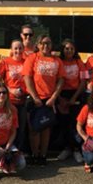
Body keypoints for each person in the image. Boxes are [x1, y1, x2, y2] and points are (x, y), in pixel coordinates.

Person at [23, 35, 65, 166]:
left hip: (49, 100)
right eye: (43, 43)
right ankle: (35, 154)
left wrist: (53, 97)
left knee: (46, 128)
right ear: (38, 45)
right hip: (35, 99)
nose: (45, 46)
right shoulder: (32, 58)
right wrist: (35, 97)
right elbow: (27, 78)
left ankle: (43, 156)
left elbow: (61, 80)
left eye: (48, 43)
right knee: (34, 129)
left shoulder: (57, 60)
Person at [55, 39, 88, 163]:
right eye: (67, 48)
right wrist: (59, 98)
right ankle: (66, 148)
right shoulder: (59, 62)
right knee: (63, 123)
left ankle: (76, 149)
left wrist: (74, 97)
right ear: (63, 50)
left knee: (75, 123)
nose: (69, 51)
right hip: (61, 95)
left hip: (76, 94)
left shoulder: (79, 62)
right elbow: (54, 81)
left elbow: (83, 81)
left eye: (72, 49)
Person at [0, 40, 28, 153]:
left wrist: (24, 91)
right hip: (9, 101)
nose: (18, 51)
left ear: (23, 49)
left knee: (21, 128)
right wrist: (10, 90)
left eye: (20, 48)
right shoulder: (5, 62)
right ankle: (5, 151)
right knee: (8, 127)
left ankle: (18, 152)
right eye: (15, 48)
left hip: (23, 101)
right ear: (11, 49)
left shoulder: (27, 62)